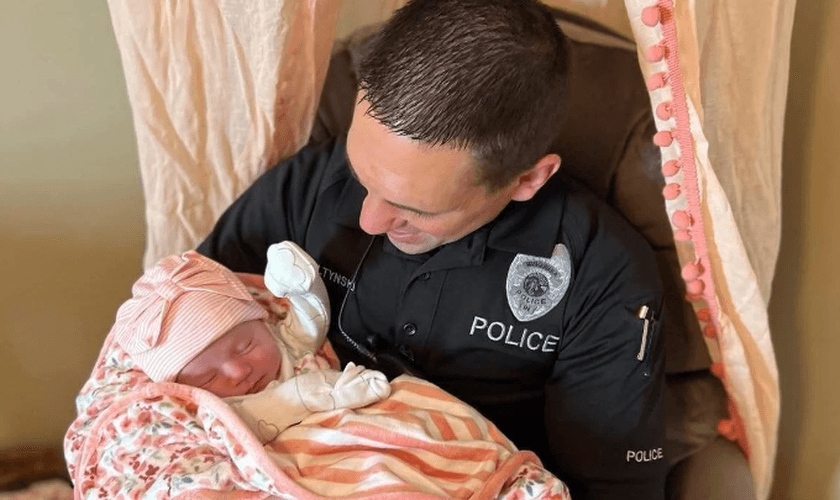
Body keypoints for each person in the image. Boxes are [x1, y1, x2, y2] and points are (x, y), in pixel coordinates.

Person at [198, 0, 666, 498]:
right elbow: (174, 330)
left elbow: (612, 485)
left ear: (527, 179)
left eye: (414, 209)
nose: (368, 220)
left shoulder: (603, 278)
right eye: (360, 176)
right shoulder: (306, 187)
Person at [111, 242, 391, 444]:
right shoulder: (220, 414)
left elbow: (308, 327)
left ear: (264, 324)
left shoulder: (282, 344)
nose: (238, 372)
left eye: (246, 346)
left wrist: (301, 289)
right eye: (209, 377)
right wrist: (303, 395)